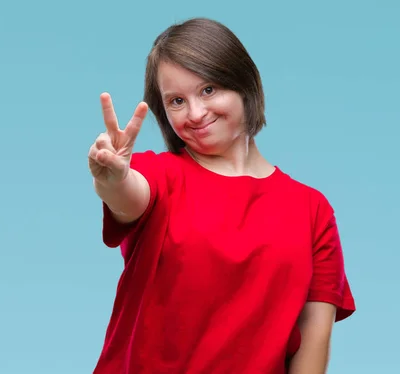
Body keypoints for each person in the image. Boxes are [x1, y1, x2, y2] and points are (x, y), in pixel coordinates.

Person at [87, 17, 356, 374]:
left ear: (243, 83)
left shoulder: (312, 210)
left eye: (209, 90)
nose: (196, 113)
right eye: (177, 100)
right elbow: (126, 197)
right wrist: (111, 179)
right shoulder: (160, 175)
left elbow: (313, 339)